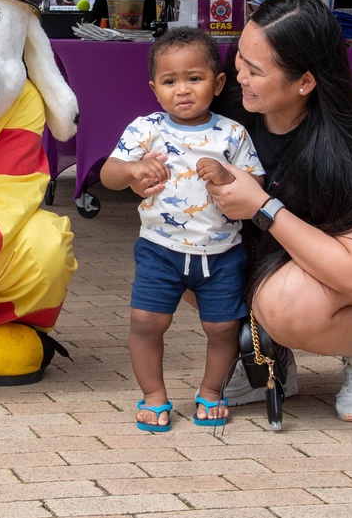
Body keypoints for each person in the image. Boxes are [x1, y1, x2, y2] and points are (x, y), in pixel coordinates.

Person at [207, 0, 352, 423]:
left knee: (289, 303)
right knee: (178, 251)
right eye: (239, 58)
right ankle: (272, 354)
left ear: (305, 82)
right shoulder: (233, 100)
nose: (238, 76)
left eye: (255, 71)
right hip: (283, 250)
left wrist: (261, 206)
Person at [99, 27, 264, 431]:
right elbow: (108, 173)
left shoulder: (233, 133)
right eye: (170, 81)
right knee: (146, 322)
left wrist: (226, 175)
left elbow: (256, 187)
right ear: (155, 88)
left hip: (222, 251)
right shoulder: (146, 130)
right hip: (160, 249)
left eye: (195, 78)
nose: (183, 90)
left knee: (222, 327)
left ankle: (211, 392)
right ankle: (154, 396)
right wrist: (132, 169)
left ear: (218, 82)